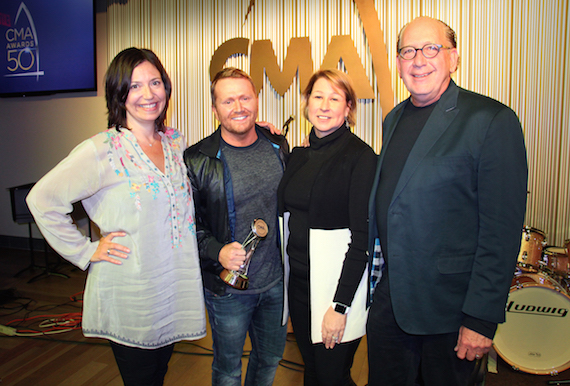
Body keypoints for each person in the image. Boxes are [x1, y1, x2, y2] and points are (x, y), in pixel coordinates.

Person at [26, 47, 206, 386]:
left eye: (155, 82)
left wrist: (259, 134)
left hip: (171, 288)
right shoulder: (102, 149)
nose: (149, 94)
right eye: (135, 86)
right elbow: (42, 199)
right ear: (118, 94)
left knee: (158, 374)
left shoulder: (175, 143)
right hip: (131, 292)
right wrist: (85, 250)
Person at [366, 17, 528, 386]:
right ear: (399, 62)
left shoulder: (491, 120)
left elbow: (500, 233)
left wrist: (480, 319)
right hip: (392, 305)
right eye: (408, 51)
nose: (418, 59)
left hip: (451, 315)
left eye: (431, 48)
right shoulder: (393, 119)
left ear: (453, 58)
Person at [183, 67, 289, 386]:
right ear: (214, 108)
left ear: (256, 100)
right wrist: (218, 251)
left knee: (269, 360)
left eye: (245, 97)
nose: (238, 107)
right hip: (227, 290)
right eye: (228, 101)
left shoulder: (278, 147)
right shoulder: (197, 160)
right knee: (228, 370)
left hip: (275, 283)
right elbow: (188, 227)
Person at [277, 69, 377, 385]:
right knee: (314, 370)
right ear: (307, 103)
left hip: (337, 290)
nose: (324, 105)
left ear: (348, 107)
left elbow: (362, 239)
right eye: (317, 97)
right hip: (300, 285)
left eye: (334, 98)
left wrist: (339, 306)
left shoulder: (361, 157)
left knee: (333, 375)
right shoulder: (299, 154)